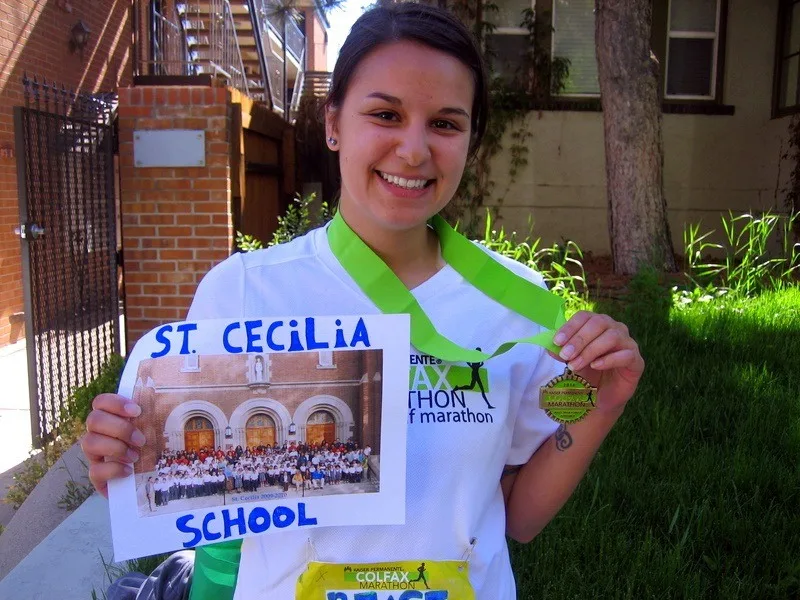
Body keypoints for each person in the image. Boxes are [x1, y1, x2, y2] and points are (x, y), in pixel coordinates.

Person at [81, 4, 644, 598]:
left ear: (471, 142)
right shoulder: (243, 291)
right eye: (385, 114)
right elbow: (191, 490)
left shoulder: (518, 305)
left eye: (446, 124)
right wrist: (125, 460)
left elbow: (520, 517)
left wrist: (600, 405)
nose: (413, 149)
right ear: (333, 124)